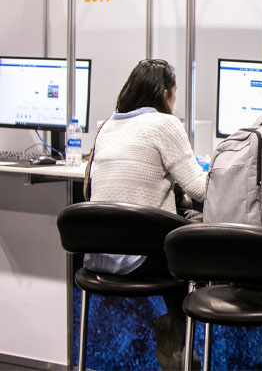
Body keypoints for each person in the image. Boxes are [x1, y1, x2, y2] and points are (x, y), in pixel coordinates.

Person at [84, 59, 206, 370]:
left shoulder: (107, 126)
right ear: (164, 95)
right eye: (175, 94)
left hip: (97, 259)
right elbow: (201, 189)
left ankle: (177, 339)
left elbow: (88, 193)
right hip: (140, 260)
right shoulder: (165, 124)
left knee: (184, 225)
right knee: (198, 238)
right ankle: (181, 341)